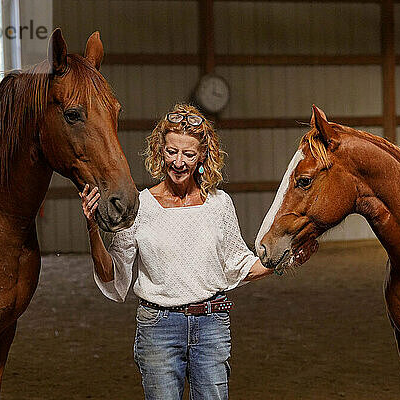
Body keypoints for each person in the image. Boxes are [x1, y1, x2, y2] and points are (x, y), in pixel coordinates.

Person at [80, 103, 273, 400]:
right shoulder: (140, 206)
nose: (179, 162)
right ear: (160, 152)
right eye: (172, 152)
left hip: (211, 325)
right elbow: (113, 276)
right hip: (158, 328)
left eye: (188, 153)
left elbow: (241, 265)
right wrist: (93, 227)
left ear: (202, 157)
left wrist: (287, 258)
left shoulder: (219, 205)